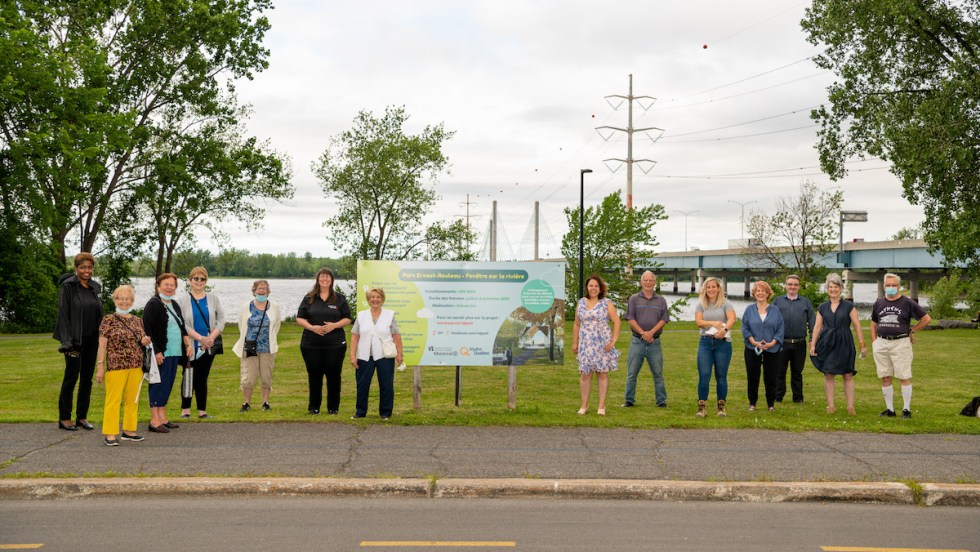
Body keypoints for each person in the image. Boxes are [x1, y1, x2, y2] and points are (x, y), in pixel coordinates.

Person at [95, 285, 152, 446]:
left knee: (132, 400)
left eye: (128, 298)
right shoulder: (108, 319)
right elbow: (102, 345)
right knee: (113, 400)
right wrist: (100, 365)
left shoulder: (137, 320)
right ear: (115, 300)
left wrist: (146, 340)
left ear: (132, 301)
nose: (124, 301)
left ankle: (129, 431)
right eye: (121, 298)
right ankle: (111, 434)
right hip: (116, 366)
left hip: (136, 365)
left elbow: (142, 339)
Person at [870, 272, 932, 419]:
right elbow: (873, 323)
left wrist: (912, 330)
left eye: (894, 285)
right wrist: (874, 342)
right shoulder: (879, 303)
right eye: (888, 285)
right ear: (884, 286)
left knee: (904, 376)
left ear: (899, 286)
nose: (891, 287)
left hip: (900, 343)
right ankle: (890, 409)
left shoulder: (907, 302)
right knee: (885, 376)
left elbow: (926, 318)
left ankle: (906, 409)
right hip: (882, 343)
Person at [53, 252, 102, 431]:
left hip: (91, 340)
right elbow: (63, 315)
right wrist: (67, 342)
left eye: (89, 267)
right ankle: (64, 418)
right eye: (82, 267)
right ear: (76, 268)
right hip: (74, 340)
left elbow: (99, 314)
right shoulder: (68, 287)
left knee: (86, 380)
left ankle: (82, 416)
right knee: (71, 378)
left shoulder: (94, 288)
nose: (86, 270)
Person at [809, 273, 867, 415]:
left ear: (840, 289)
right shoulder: (822, 307)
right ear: (827, 289)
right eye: (830, 287)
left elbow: (857, 325)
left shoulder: (849, 306)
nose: (833, 289)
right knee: (828, 374)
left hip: (845, 342)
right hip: (827, 342)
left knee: (847, 374)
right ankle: (830, 405)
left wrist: (862, 344)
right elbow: (817, 327)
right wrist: (813, 344)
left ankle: (850, 406)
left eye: (836, 287)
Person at [143, 273, 193, 433]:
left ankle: (163, 417)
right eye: (166, 284)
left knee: (167, 384)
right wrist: (157, 351)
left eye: (172, 285)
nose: (169, 288)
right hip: (161, 352)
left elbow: (182, 326)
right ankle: (154, 420)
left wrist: (187, 343)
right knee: (157, 384)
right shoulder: (153, 304)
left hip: (175, 351)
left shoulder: (174, 304)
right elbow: (147, 330)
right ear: (158, 286)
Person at [297, 268, 351, 415]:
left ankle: (333, 408)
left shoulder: (339, 298)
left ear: (332, 280)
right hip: (311, 345)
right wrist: (311, 328)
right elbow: (300, 317)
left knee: (334, 375)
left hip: (335, 345)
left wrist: (334, 325)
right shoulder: (309, 298)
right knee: (314, 375)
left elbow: (347, 318)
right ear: (318, 279)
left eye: (328, 277)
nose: (325, 279)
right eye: (322, 277)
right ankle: (314, 407)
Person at [176, 266, 225, 419]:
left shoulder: (213, 298)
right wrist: (200, 338)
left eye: (202, 279)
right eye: (195, 278)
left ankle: (202, 411)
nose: (199, 281)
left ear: (206, 281)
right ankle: (185, 410)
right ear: (190, 281)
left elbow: (221, 319)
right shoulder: (182, 299)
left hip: (208, 346)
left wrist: (210, 338)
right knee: (188, 375)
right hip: (190, 344)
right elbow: (182, 323)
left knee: (203, 377)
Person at [349, 288, 403, 420]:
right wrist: (352, 355)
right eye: (372, 297)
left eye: (378, 297)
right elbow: (355, 337)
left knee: (386, 385)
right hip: (364, 356)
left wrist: (400, 354)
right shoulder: (361, 315)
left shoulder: (389, 315)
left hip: (384, 356)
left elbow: (396, 335)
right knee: (362, 385)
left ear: (382, 299)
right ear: (368, 300)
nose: (375, 299)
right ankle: (360, 412)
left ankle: (385, 413)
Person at [572, 274, 621, 416]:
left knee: (602, 374)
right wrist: (575, 342)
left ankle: (601, 406)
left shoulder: (606, 303)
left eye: (596, 286)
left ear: (600, 288)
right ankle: (584, 405)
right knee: (585, 375)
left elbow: (617, 322)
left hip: (602, 343)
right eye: (590, 285)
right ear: (587, 287)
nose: (593, 288)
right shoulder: (581, 302)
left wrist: (613, 341)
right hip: (585, 344)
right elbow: (576, 324)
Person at [622, 271, 670, 408]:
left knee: (658, 373)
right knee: (632, 373)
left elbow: (664, 319)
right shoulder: (633, 299)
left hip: (655, 342)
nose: (648, 283)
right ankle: (629, 400)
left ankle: (661, 401)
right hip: (637, 341)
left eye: (650, 280)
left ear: (654, 282)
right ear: (641, 282)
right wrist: (643, 333)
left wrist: (651, 333)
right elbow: (630, 318)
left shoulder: (661, 300)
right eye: (645, 280)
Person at [233, 280, 282, 413]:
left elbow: (276, 325)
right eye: (259, 288)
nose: (261, 291)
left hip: (267, 347)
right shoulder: (246, 307)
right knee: (248, 376)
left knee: (266, 376)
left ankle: (265, 402)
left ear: (268, 291)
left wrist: (268, 338)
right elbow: (241, 325)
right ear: (254, 291)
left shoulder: (275, 306)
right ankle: (246, 403)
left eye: (264, 288)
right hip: (250, 347)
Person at [693, 277, 736, 418]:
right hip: (705, 343)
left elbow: (732, 319)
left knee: (721, 376)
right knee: (704, 376)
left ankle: (721, 408)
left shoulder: (726, 303)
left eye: (713, 287)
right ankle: (702, 408)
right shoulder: (701, 304)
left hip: (723, 344)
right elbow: (698, 322)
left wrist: (723, 330)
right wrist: (712, 323)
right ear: (704, 289)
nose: (711, 289)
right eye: (708, 287)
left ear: (718, 289)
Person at [741, 280, 784, 412]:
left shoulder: (775, 310)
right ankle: (752, 403)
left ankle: (771, 404)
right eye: (758, 291)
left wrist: (773, 342)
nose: (760, 293)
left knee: (771, 377)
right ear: (754, 293)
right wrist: (754, 341)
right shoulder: (749, 310)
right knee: (753, 376)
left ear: (767, 293)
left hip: (772, 349)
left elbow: (780, 328)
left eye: (763, 291)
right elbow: (745, 327)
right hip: (752, 348)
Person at [772, 274, 815, 403]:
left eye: (795, 284)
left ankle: (798, 397)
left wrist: (812, 339)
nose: (792, 287)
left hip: (799, 343)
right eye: (790, 284)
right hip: (781, 343)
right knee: (779, 372)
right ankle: (778, 397)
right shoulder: (777, 301)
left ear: (799, 287)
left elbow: (813, 322)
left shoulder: (805, 302)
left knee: (797, 372)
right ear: (785, 286)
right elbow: (770, 321)